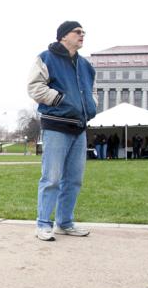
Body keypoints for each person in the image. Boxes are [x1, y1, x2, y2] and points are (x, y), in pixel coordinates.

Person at [27, 21, 97, 241]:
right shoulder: (46, 58)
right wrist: (60, 100)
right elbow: (34, 87)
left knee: (74, 179)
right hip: (56, 125)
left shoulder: (86, 65)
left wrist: (91, 107)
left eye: (83, 32)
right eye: (78, 32)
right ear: (63, 36)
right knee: (52, 178)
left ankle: (64, 223)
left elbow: (91, 91)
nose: (82, 35)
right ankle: (43, 224)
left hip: (79, 128)